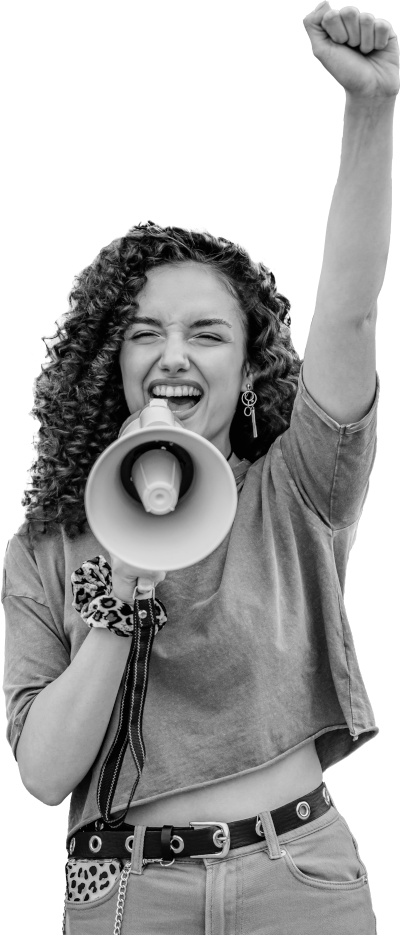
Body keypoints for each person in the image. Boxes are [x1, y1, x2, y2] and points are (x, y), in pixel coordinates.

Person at [3, 3, 398, 930]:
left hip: (297, 881)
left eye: (208, 333)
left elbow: (350, 312)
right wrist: (121, 591)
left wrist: (370, 112)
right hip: (126, 892)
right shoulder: (44, 545)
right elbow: (46, 771)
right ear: (114, 361)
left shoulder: (297, 486)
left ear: (250, 366)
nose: (175, 354)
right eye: (147, 333)